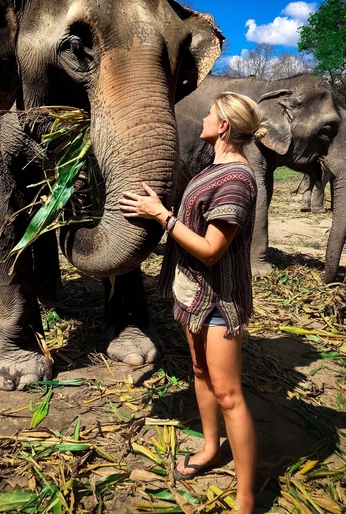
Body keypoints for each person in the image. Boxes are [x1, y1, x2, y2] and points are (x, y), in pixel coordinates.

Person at [119, 92, 266, 514]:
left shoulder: (236, 179)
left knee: (230, 393)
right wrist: (159, 206)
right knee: (200, 372)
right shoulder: (213, 168)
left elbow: (211, 249)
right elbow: (195, 221)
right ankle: (210, 448)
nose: (202, 117)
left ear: (222, 127)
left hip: (220, 299)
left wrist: (161, 216)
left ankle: (245, 498)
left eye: (209, 113)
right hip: (194, 294)